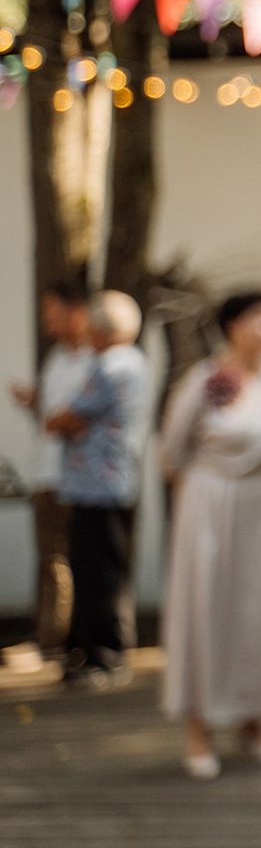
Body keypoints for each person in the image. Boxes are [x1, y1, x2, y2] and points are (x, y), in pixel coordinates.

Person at [161, 290, 261, 780]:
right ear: (232, 325)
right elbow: (171, 452)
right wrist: (203, 499)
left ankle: (255, 721)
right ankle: (200, 729)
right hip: (211, 503)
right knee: (207, 608)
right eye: (258, 315)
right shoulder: (204, 381)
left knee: (260, 611)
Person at [50, 290, 150, 687]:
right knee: (103, 567)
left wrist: (58, 419)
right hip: (112, 482)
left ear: (98, 329)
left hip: (98, 484)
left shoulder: (110, 366)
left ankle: (105, 655)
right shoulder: (136, 362)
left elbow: (67, 417)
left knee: (98, 570)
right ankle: (96, 650)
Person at [11, 279, 92, 665]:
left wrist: (61, 419)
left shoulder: (97, 359)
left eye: (52, 312)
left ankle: (58, 641)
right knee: (49, 557)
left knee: (64, 559)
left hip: (74, 476)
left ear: (77, 311)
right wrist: (37, 404)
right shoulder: (58, 357)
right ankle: (48, 636)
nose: (47, 322)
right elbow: (52, 415)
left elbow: (81, 418)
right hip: (44, 471)